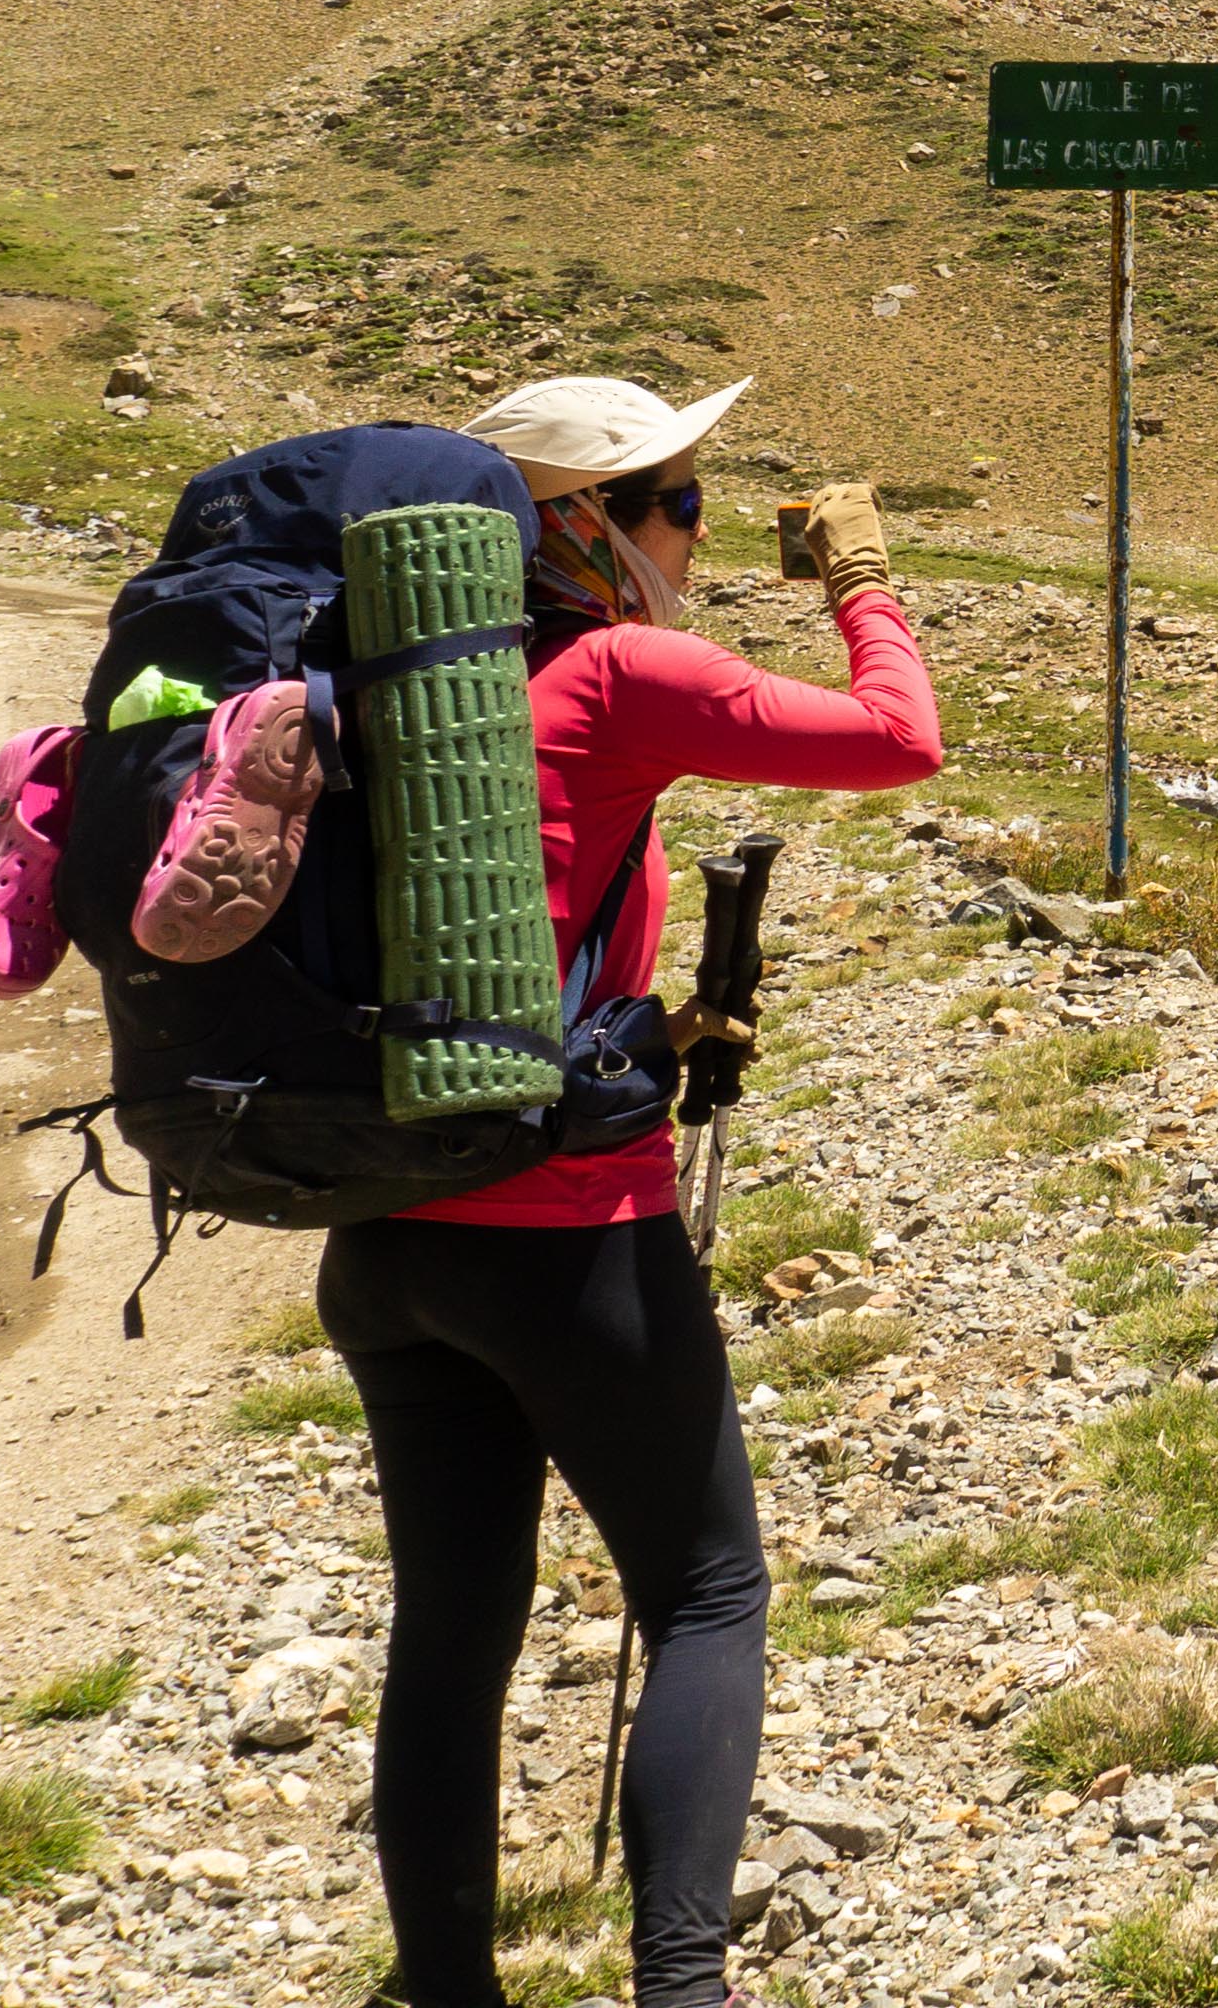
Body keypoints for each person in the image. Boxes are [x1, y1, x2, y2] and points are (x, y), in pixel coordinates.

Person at [323, 372, 945, 2008]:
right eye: (679, 498)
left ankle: (447, 1993)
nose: (700, 527)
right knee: (710, 1591)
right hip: (565, 1234)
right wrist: (862, 585)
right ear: (583, 527)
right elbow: (902, 742)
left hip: (387, 1231)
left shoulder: (382, 679)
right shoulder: (611, 669)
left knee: (454, 1628)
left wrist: (649, 1027)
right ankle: (684, 1988)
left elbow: (483, 939)